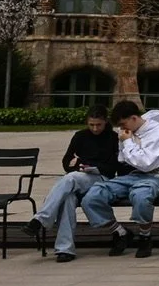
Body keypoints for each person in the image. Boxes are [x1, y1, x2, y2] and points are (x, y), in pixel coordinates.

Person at [82, 99, 159, 258]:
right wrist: (127, 143)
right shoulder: (126, 133)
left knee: (140, 195)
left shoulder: (158, 132)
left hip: (154, 176)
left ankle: (145, 236)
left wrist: (128, 142)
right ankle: (120, 232)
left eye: (124, 124)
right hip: (131, 176)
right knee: (92, 196)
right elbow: (123, 159)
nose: (122, 129)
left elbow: (146, 164)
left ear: (134, 118)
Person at [30, 109, 120, 262]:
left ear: (105, 122)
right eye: (91, 125)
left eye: (99, 125)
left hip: (101, 177)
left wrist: (92, 167)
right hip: (81, 175)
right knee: (67, 198)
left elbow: (113, 167)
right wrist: (77, 166)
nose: (95, 128)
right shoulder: (80, 136)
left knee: (71, 179)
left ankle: (42, 219)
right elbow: (67, 162)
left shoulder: (113, 138)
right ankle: (65, 249)